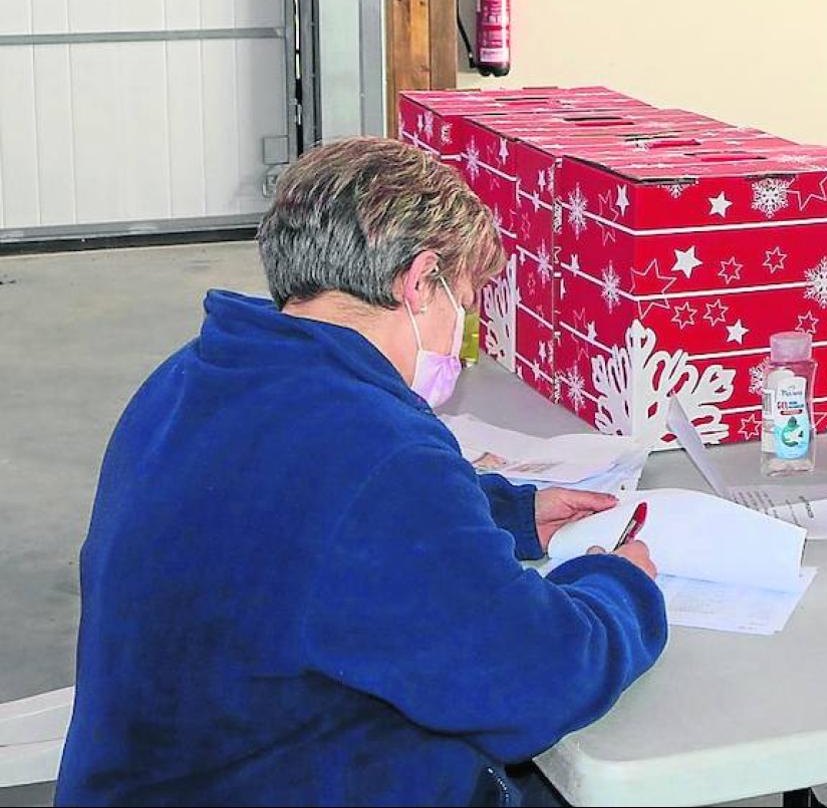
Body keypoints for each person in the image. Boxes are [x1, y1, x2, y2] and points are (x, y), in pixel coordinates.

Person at [57, 137, 666, 807]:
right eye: (462, 304)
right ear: (418, 280)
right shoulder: (379, 450)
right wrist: (621, 586)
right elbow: (536, 682)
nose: (464, 339)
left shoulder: (191, 376)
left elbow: (285, 512)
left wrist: (506, 513)